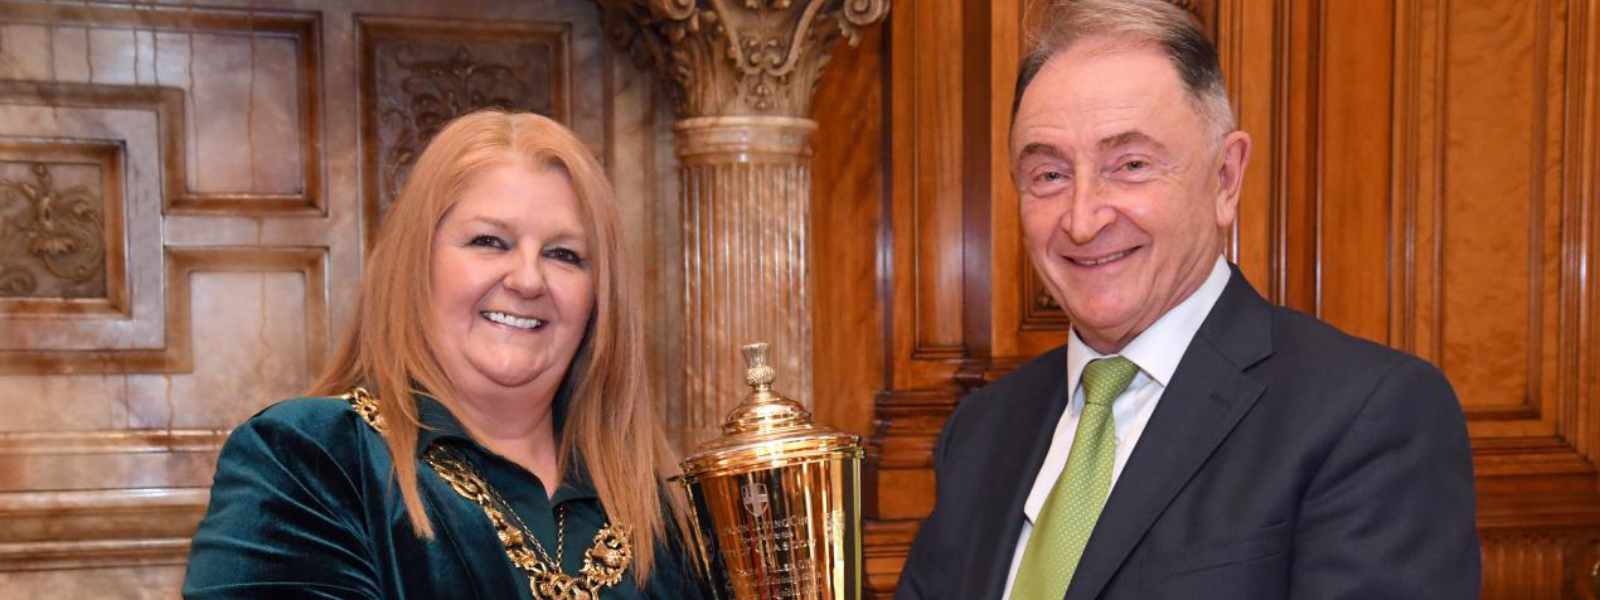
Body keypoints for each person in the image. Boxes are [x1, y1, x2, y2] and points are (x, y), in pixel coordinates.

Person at [895, 1, 1480, 599]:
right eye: (1049, 175)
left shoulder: (1369, 416)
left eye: (1130, 164)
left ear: (1225, 178)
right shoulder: (983, 432)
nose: (1082, 218)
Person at [183, 110, 704, 599]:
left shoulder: (658, 512)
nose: (527, 279)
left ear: (599, 297)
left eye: (563, 254)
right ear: (418, 265)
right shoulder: (314, 458)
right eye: (489, 241)